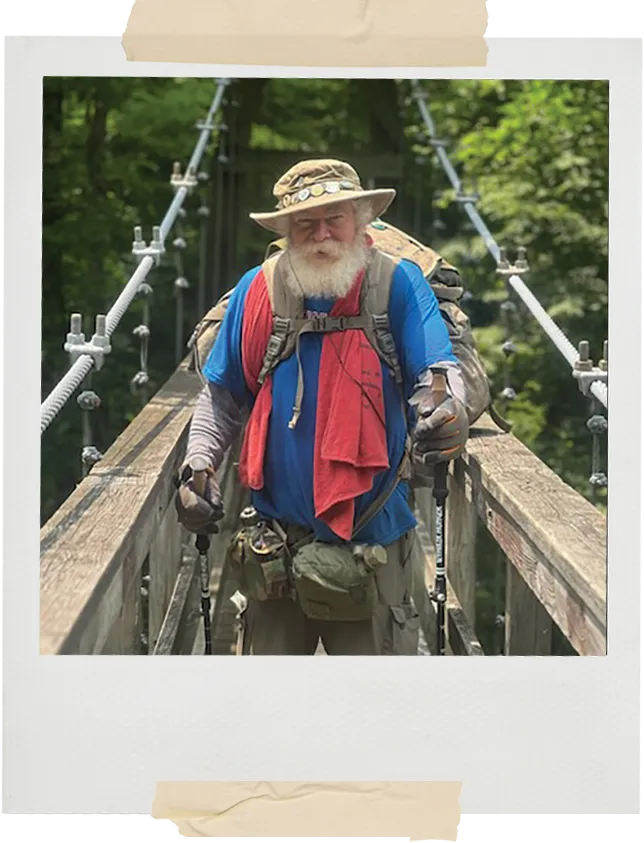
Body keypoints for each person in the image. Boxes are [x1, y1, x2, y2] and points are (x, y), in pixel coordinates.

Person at [175, 159, 469, 655]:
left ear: (360, 219)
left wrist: (447, 412)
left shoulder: (397, 284)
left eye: (335, 217)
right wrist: (198, 464)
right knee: (270, 715)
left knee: (376, 714)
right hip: (274, 551)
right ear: (288, 231)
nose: (322, 234)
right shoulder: (258, 290)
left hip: (371, 547)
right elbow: (221, 400)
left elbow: (435, 373)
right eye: (306, 223)